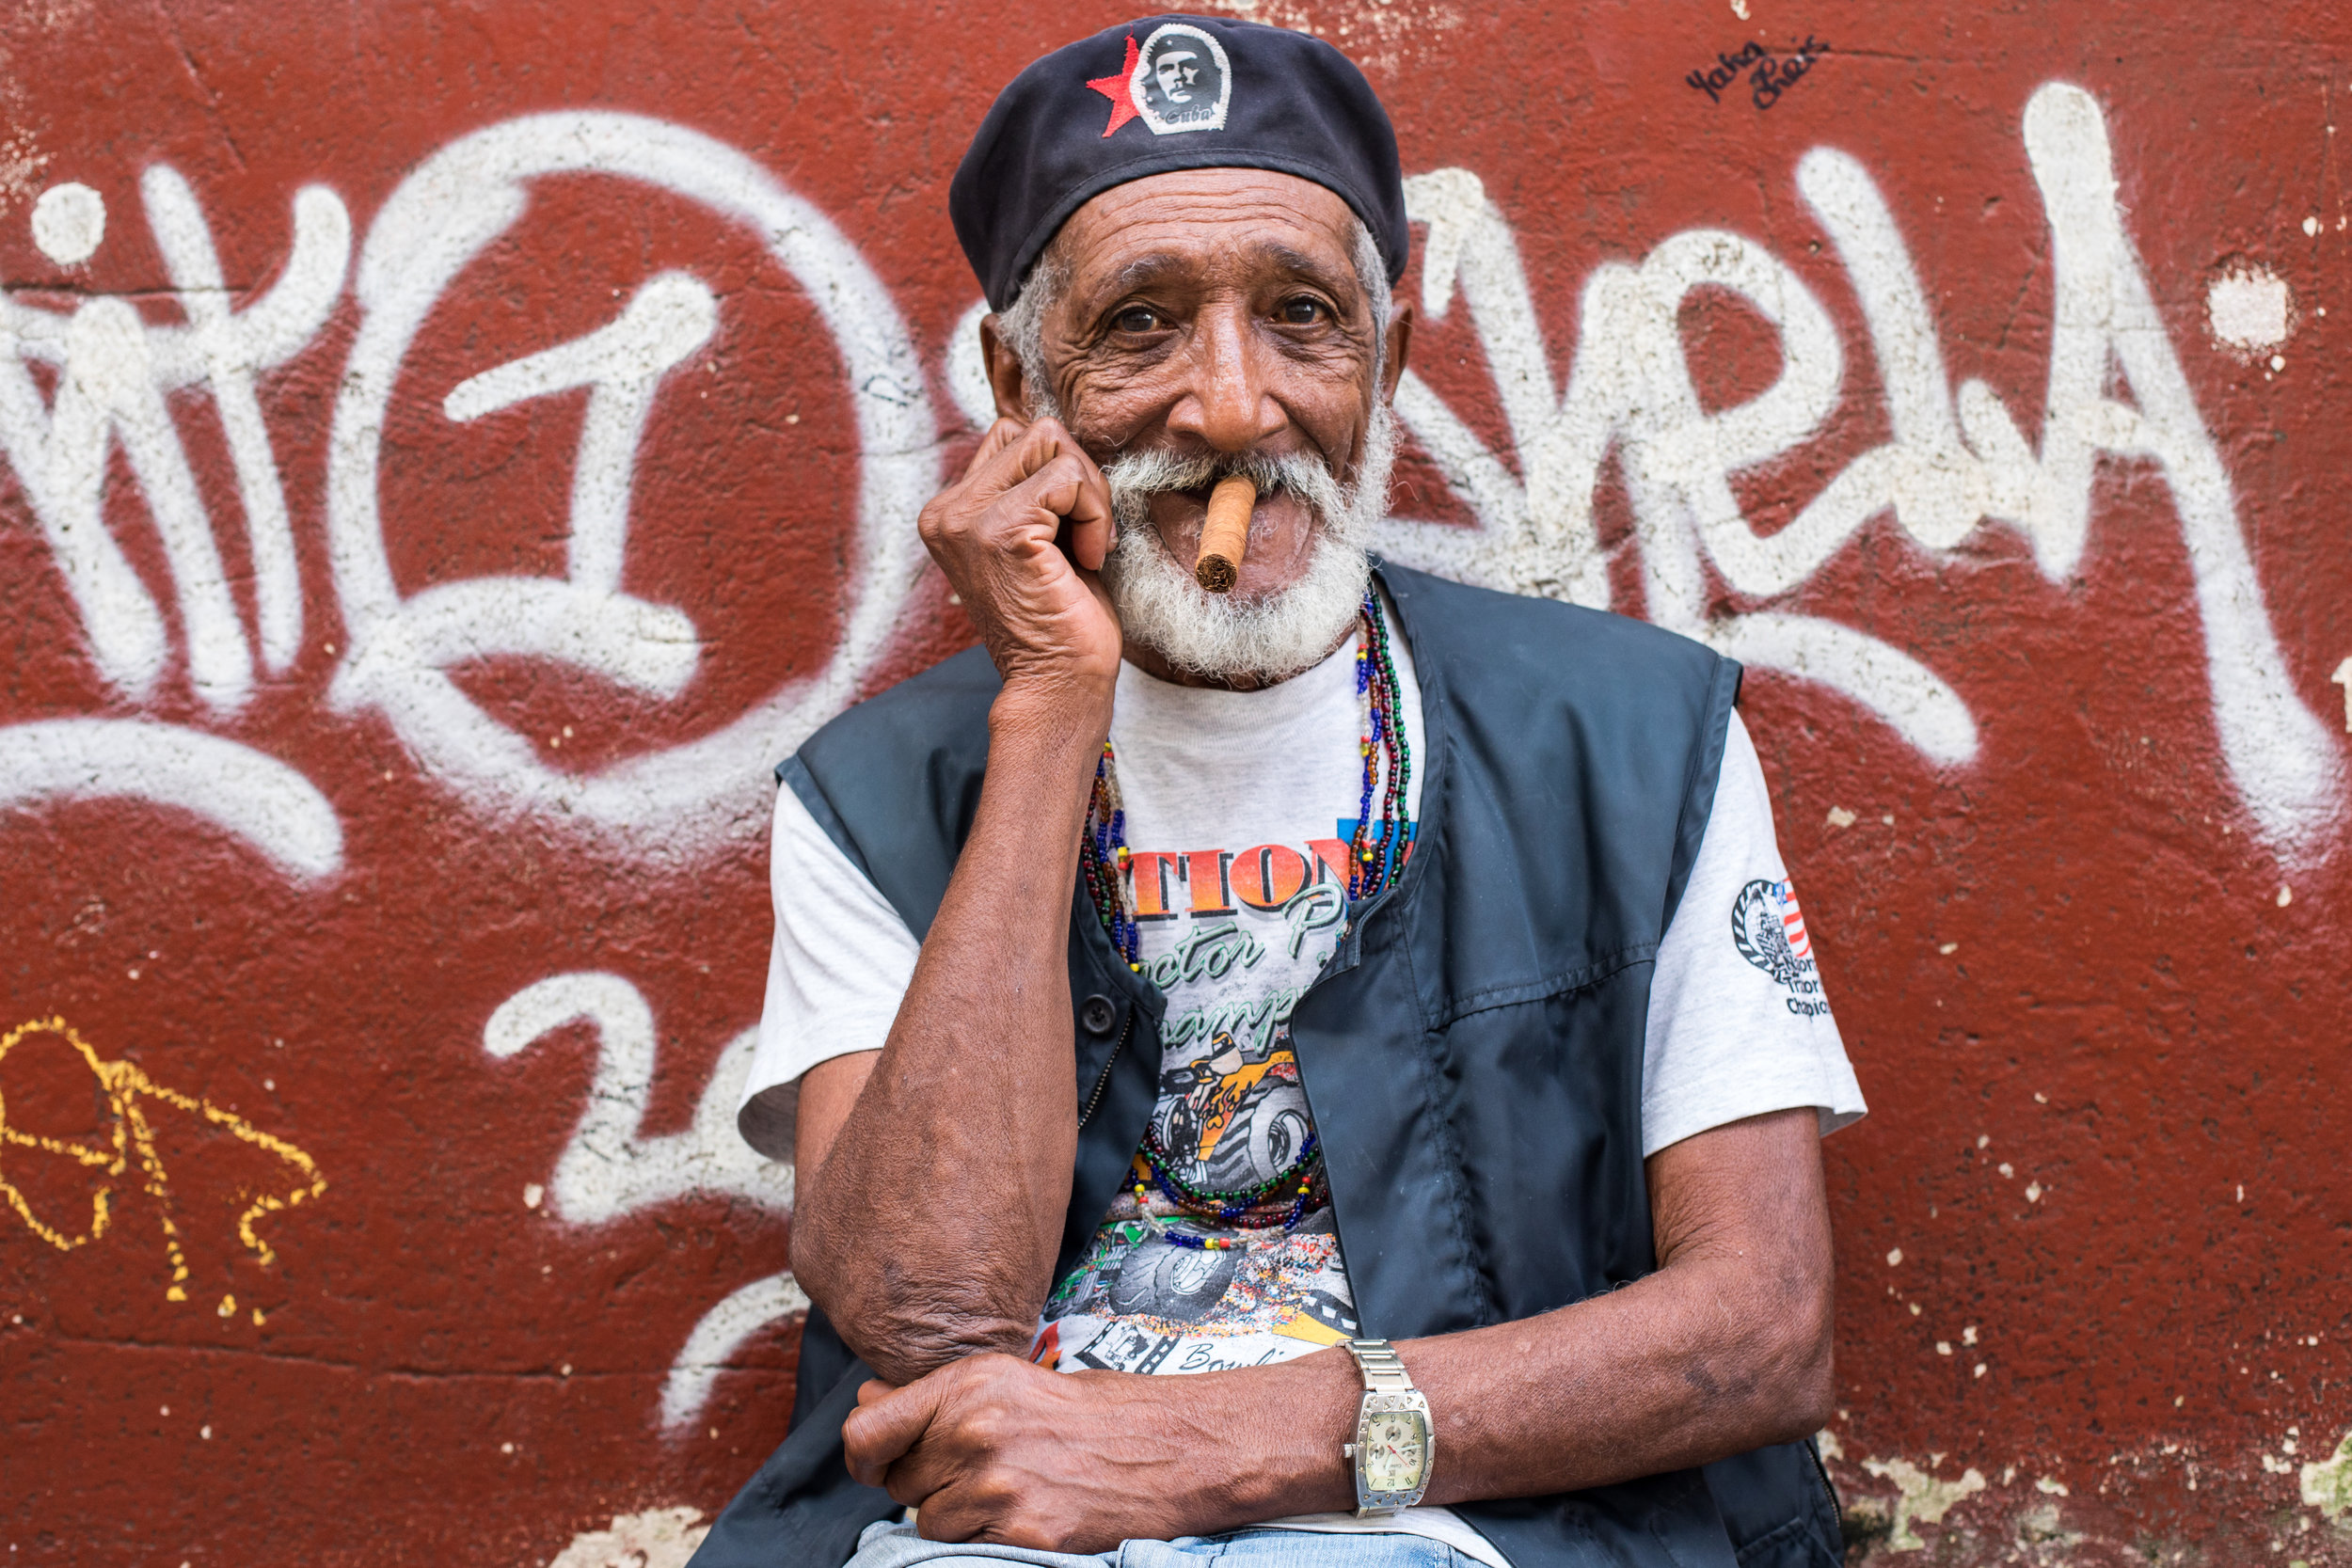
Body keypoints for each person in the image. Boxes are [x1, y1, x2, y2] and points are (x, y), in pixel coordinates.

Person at [692, 16, 1865, 1568]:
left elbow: (1764, 1328)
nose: (1233, 408)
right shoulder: (877, 791)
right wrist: (1048, 710)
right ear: (1015, 378)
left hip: (1460, 1537)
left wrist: (1205, 1451)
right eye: (1142, 327)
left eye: (1301, 317)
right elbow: (927, 1316)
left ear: (1387, 356)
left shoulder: (1639, 739)